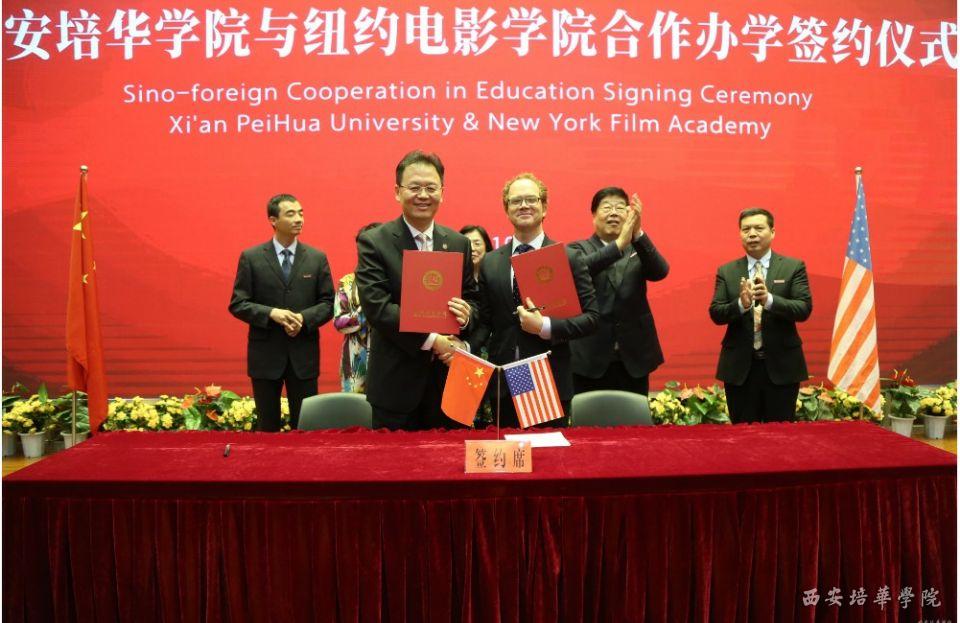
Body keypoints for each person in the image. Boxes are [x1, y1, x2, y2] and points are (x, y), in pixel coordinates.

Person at [355, 150, 478, 431]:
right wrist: (434, 340)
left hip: (449, 384)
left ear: (442, 193)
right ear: (397, 191)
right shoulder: (374, 242)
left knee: (449, 457)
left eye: (431, 188)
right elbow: (378, 308)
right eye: (414, 187)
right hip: (395, 388)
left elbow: (474, 299)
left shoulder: (458, 242)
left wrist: (467, 316)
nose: (423, 195)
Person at [467, 172, 599, 428]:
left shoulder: (567, 258)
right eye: (516, 201)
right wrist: (465, 347)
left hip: (548, 378)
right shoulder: (491, 262)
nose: (524, 205)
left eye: (531, 199)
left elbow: (591, 318)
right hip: (505, 381)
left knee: (547, 452)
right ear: (506, 209)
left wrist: (544, 327)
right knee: (508, 450)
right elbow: (485, 321)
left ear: (544, 206)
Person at [229, 193, 335, 431]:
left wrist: (304, 319)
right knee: (267, 427)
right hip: (265, 356)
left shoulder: (316, 258)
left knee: (306, 427)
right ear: (273, 220)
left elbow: (329, 303)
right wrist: (271, 314)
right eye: (291, 214)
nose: (299, 219)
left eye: (301, 213)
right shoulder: (252, 257)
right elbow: (238, 303)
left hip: (303, 355)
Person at [709, 208, 812, 423]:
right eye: (746, 229)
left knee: (780, 435)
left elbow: (803, 308)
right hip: (740, 370)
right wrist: (741, 305)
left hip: (782, 367)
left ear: (772, 232)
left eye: (758, 228)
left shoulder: (793, 267)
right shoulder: (727, 271)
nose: (752, 234)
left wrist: (769, 300)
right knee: (743, 435)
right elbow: (716, 313)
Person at [569, 187, 669, 396]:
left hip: (634, 357)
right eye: (607, 207)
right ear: (593, 215)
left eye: (620, 207)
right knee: (588, 416)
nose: (613, 213)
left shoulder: (638, 248)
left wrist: (638, 234)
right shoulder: (578, 249)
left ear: (629, 214)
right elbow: (580, 270)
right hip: (589, 356)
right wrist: (619, 245)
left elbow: (660, 271)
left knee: (633, 416)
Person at [332, 223, 380, 393]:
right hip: (355, 360)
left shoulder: (398, 280)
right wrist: (370, 308)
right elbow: (339, 322)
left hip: (390, 358)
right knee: (354, 407)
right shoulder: (347, 282)